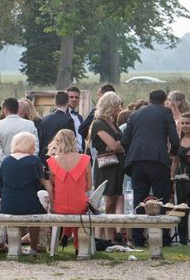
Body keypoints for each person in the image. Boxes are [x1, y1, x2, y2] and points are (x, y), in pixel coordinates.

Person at [122, 89, 179, 247]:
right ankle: (163, 238)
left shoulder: (135, 114)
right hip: (158, 160)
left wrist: (132, 153)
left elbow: (125, 140)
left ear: (149, 99)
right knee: (161, 199)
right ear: (163, 100)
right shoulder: (166, 113)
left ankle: (138, 238)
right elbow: (174, 140)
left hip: (137, 161)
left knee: (139, 200)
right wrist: (171, 154)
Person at [0, 132, 52, 254]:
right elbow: (45, 183)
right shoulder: (34, 160)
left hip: (7, 204)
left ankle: (14, 247)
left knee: (23, 208)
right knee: (37, 213)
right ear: (30, 145)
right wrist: (53, 202)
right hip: (28, 203)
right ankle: (33, 247)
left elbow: (1, 182)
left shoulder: (6, 160)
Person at [88, 91, 125, 242]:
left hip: (117, 165)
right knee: (106, 201)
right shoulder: (98, 123)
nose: (119, 109)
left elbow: (119, 145)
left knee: (114, 199)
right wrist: (117, 146)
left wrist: (118, 146)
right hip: (106, 166)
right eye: (117, 105)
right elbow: (113, 145)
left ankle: (110, 237)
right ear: (110, 105)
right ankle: (98, 237)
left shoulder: (112, 123)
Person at [47, 129, 91, 252]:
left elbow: (53, 185)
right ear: (74, 141)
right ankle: (77, 244)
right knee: (78, 207)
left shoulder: (52, 161)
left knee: (68, 206)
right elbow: (89, 186)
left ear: (58, 142)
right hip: (80, 206)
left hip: (59, 206)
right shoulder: (85, 159)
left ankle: (65, 235)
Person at [0, 98, 39, 188]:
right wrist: (28, 161)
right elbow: (35, 148)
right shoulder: (29, 124)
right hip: (27, 169)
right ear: (17, 109)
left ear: (5, 109)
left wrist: (8, 162)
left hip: (5, 169)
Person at [171, 112, 190, 244]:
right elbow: (175, 162)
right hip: (182, 178)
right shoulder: (177, 142)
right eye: (182, 123)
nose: (184, 126)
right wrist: (172, 179)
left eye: (188, 123)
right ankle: (183, 240)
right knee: (182, 210)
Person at [40, 91, 76, 167]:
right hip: (60, 156)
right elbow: (71, 141)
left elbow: (41, 141)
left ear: (55, 102)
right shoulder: (68, 120)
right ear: (67, 102)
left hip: (45, 156)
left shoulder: (44, 119)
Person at [66, 86, 84, 152]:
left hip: (81, 153)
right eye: (71, 97)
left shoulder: (80, 117)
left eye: (77, 97)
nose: (74, 99)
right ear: (66, 98)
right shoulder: (62, 116)